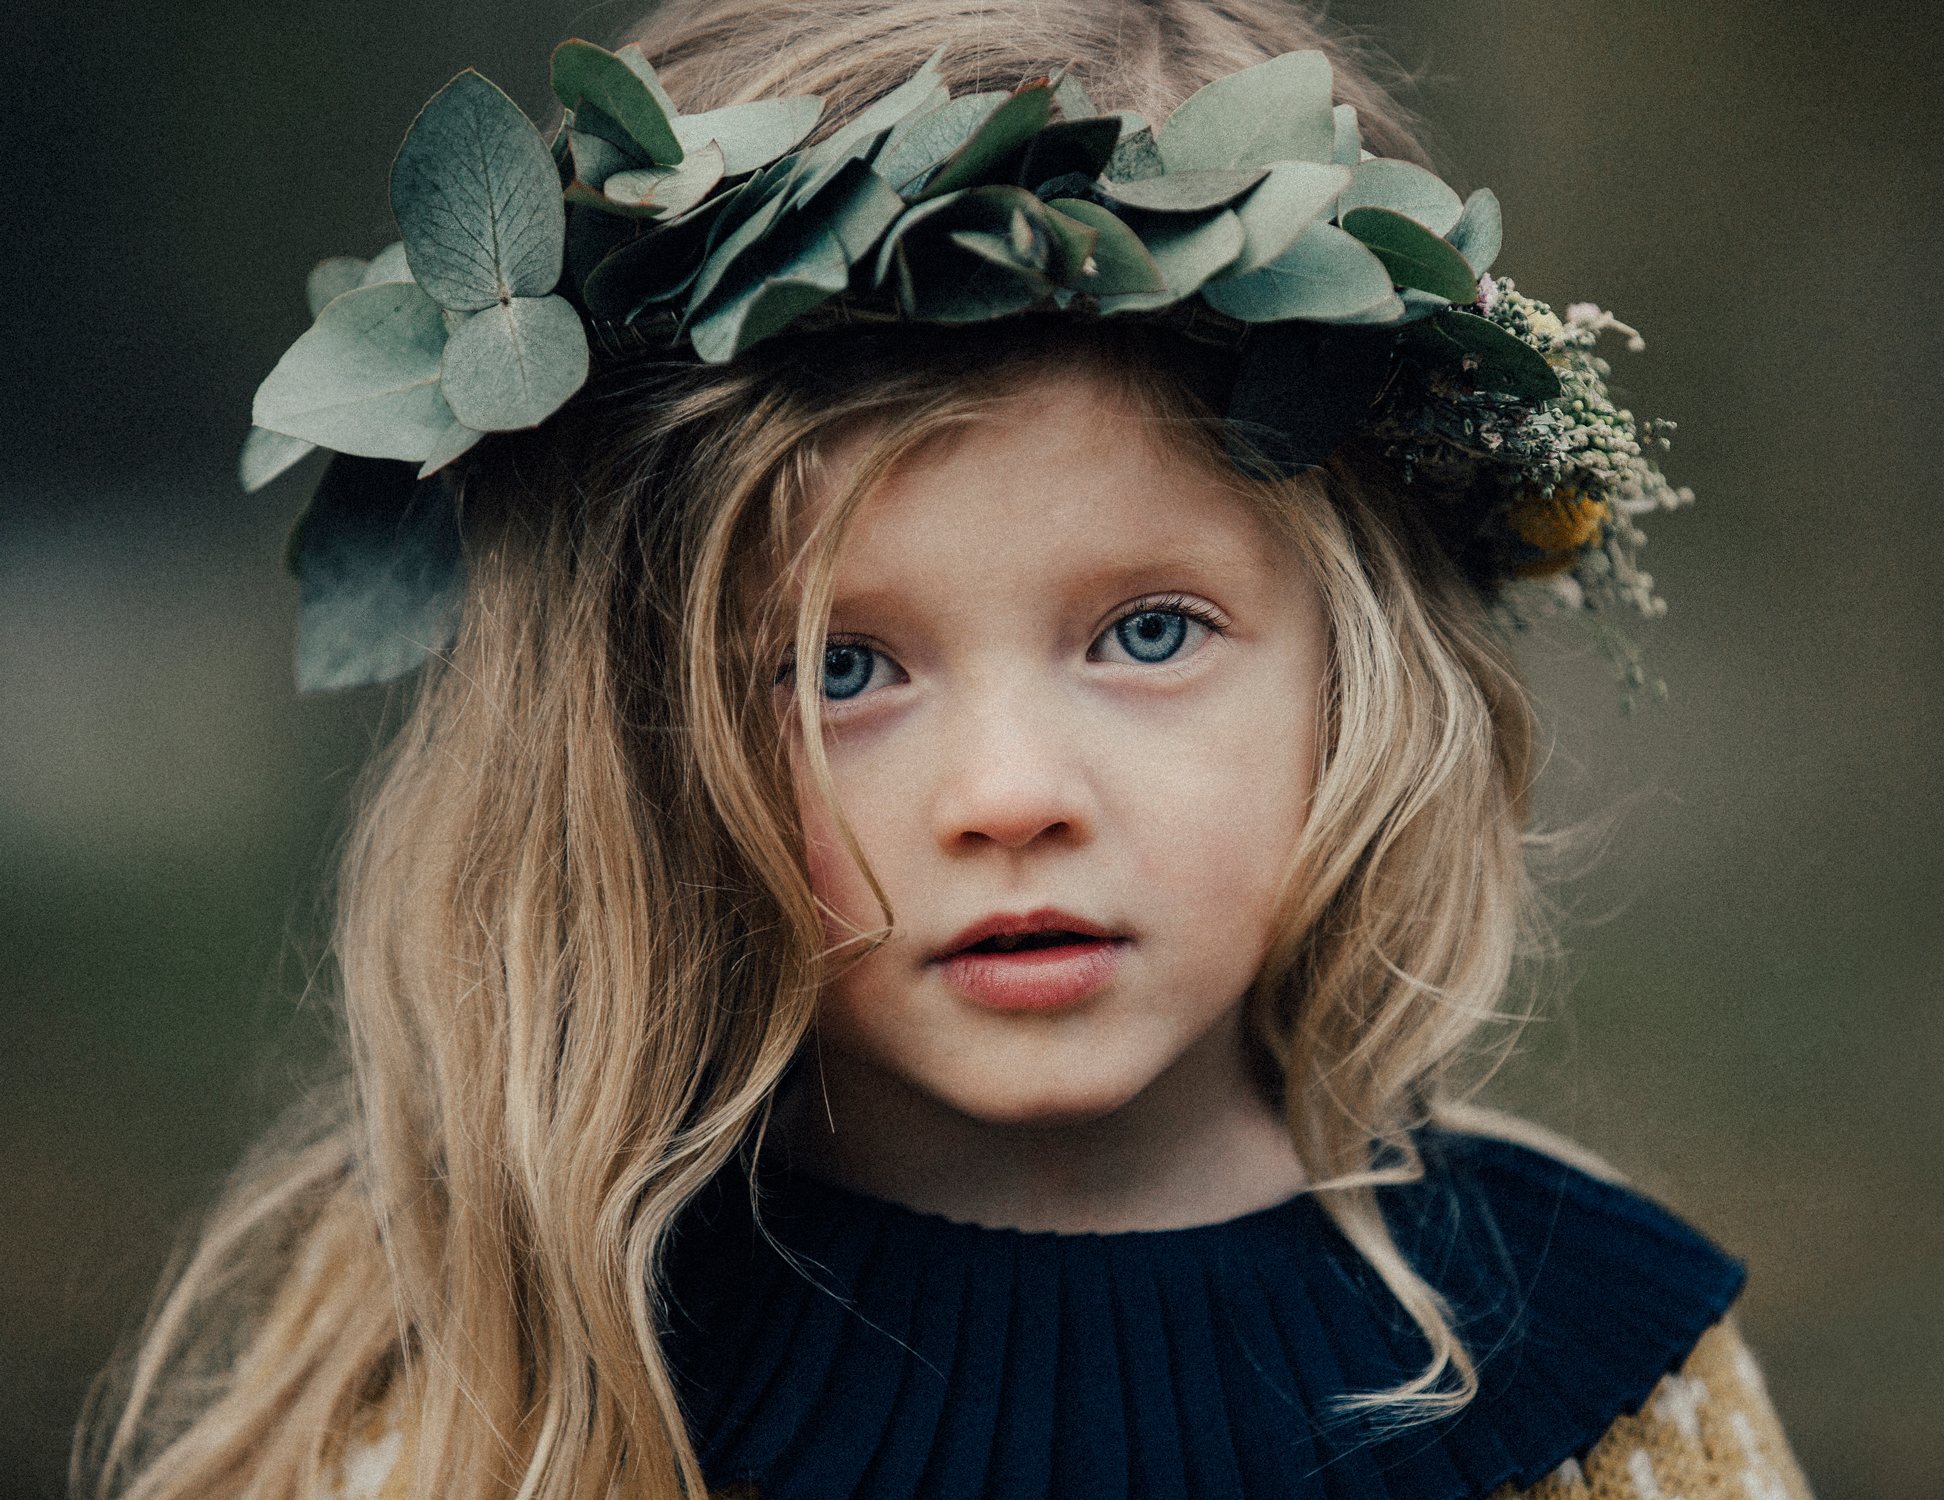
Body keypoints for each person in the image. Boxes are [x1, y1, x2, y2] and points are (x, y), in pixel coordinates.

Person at [78, 2, 1809, 1498]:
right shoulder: (490, 1385)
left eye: (1148, 633)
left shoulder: (1605, 1381)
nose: (1010, 799)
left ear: (1364, 669)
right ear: (623, 740)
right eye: (836, 669)